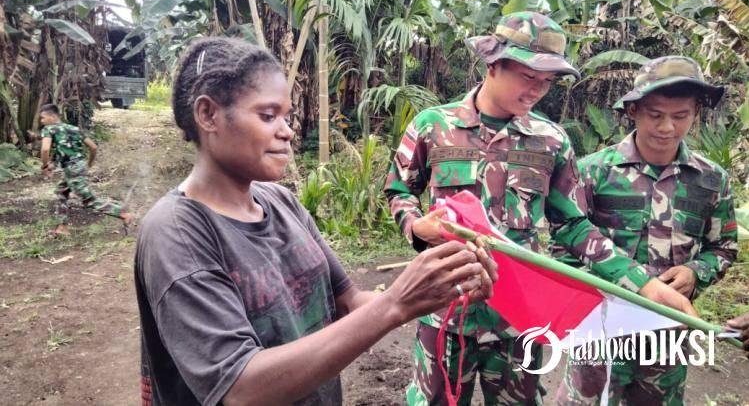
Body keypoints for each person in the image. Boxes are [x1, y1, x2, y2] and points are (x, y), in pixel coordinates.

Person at [134, 37, 498, 406]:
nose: (287, 131)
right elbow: (240, 388)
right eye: (267, 115)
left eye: (287, 117)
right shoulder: (177, 233)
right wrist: (397, 303)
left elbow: (349, 301)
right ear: (208, 115)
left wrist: (438, 285)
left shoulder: (281, 203)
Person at [384, 12, 697, 406]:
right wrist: (416, 226)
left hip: (518, 319)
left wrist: (643, 283)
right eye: (529, 77)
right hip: (445, 307)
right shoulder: (433, 126)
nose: (537, 90)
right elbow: (399, 189)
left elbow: (573, 226)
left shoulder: (551, 141)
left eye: (546, 82)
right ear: (493, 64)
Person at [554, 55, 738, 405]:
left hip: (666, 335)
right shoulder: (594, 172)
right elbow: (566, 244)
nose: (667, 127)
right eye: (655, 115)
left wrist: (695, 272)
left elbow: (724, 247)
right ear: (633, 110)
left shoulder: (711, 180)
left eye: (680, 116)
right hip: (600, 330)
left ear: (696, 113)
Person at [38, 104, 134, 235]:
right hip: (78, 165)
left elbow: (45, 149)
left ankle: (122, 213)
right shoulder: (74, 128)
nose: (41, 121)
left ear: (52, 116)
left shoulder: (49, 129)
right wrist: (89, 163)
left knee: (88, 200)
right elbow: (93, 147)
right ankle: (62, 227)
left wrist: (44, 165)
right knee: (61, 192)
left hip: (71, 168)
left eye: (43, 118)